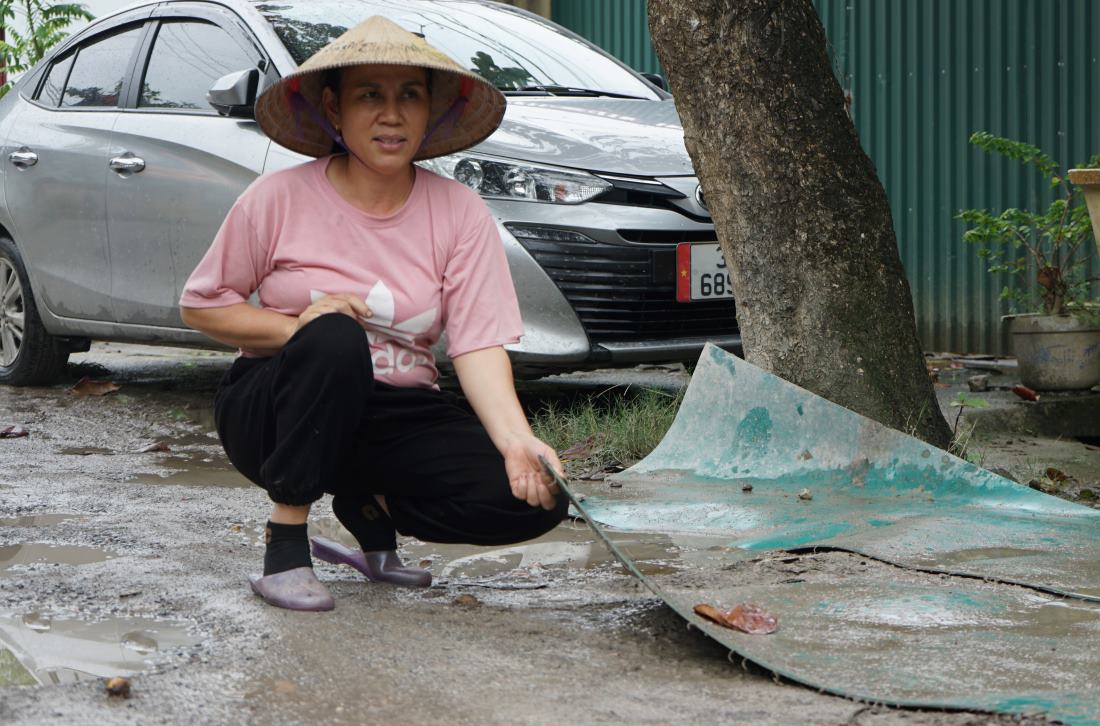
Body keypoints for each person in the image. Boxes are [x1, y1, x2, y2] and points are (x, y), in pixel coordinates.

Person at [179, 16, 567, 611]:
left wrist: (518, 441)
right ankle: (285, 544)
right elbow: (202, 305)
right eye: (370, 96)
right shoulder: (276, 198)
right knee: (334, 337)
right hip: (276, 410)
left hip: (396, 412)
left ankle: (368, 504)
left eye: (409, 95)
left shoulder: (460, 212)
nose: (392, 114)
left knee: (532, 497)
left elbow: (478, 345)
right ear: (334, 110)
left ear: (431, 110)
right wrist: (298, 328)